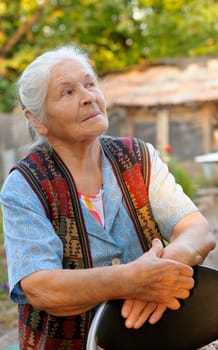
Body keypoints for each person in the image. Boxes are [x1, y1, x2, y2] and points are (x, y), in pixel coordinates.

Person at [0, 45, 216, 350]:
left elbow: (197, 230)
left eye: (90, 84)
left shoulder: (138, 158)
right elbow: (41, 287)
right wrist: (131, 280)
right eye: (68, 92)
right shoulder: (25, 185)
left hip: (151, 340)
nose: (88, 96)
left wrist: (163, 269)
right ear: (37, 119)